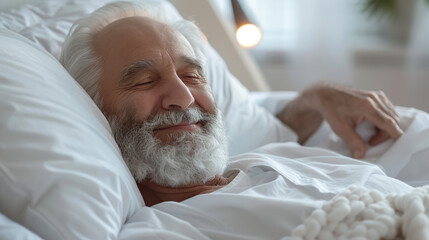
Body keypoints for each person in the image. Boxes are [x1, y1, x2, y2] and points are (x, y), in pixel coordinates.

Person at [60, 1, 406, 207]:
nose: (183, 97)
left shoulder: (275, 158)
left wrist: (316, 96)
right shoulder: (174, 229)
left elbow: (275, 125)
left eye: (193, 76)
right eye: (145, 81)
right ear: (97, 111)